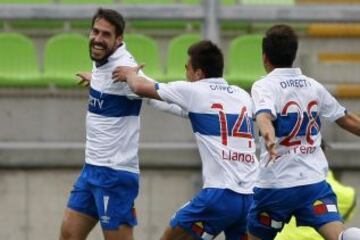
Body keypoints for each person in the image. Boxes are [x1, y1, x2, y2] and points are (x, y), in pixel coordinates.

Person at [59, 8, 185, 240]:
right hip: (91, 170)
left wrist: (199, 109)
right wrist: (96, 78)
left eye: (105, 35)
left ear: (119, 40)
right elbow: (107, 80)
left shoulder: (124, 69)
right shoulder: (103, 65)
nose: (97, 38)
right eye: (95, 31)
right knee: (68, 236)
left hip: (114, 175)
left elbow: (162, 99)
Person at [113, 40, 259, 240]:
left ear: (198, 73)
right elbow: (170, 106)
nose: (185, 74)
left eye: (187, 68)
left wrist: (129, 73)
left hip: (220, 195)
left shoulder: (194, 91)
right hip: (251, 196)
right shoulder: (242, 95)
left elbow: (138, 86)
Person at [248, 24, 360, 240]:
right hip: (313, 184)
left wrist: (269, 138)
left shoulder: (264, 86)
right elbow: (347, 120)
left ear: (265, 57)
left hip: (276, 186)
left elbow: (263, 116)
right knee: (339, 235)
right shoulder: (313, 86)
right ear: (293, 54)